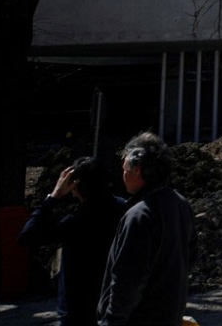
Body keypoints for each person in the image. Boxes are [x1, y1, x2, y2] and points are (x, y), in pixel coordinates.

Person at [98, 132, 195, 326]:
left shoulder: (139, 216)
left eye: (125, 167)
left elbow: (127, 280)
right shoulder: (181, 204)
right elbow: (190, 257)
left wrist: (111, 321)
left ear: (138, 170)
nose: (123, 173)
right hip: (169, 314)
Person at [18, 157, 126, 326]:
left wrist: (53, 197)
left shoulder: (74, 223)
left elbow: (27, 236)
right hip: (114, 302)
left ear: (75, 185)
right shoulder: (124, 210)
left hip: (77, 309)